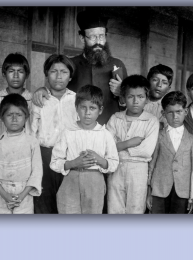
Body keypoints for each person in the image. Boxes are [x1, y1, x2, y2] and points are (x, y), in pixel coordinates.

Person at [32, 9, 127, 125]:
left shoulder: (117, 65)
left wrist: (121, 94)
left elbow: (128, 104)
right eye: (93, 37)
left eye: (101, 36)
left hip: (109, 130)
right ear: (82, 38)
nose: (98, 42)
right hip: (76, 130)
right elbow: (55, 89)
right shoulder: (71, 65)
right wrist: (42, 90)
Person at [50, 85, 119, 214]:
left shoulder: (104, 134)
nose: (87, 113)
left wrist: (99, 160)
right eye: (83, 107)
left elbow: (114, 163)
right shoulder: (68, 132)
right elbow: (54, 162)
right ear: (76, 108)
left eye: (92, 108)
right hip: (70, 180)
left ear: (100, 110)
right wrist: (73, 163)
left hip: (95, 183)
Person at [30, 54, 78, 214]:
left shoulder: (77, 100)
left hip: (69, 157)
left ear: (70, 77)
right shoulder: (39, 100)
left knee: (68, 204)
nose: (59, 76)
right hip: (43, 156)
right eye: (53, 71)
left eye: (64, 72)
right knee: (44, 202)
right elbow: (31, 132)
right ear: (46, 75)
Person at [106, 75, 159, 214]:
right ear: (123, 98)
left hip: (139, 170)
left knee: (135, 209)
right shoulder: (115, 118)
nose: (136, 101)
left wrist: (118, 146)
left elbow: (146, 151)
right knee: (114, 208)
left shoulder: (151, 121)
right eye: (130, 97)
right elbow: (106, 148)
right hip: (116, 168)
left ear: (147, 98)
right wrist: (130, 143)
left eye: (140, 97)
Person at [147, 91, 193, 214]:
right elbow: (151, 164)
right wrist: (149, 192)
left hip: (183, 192)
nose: (175, 116)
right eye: (170, 112)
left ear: (185, 112)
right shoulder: (157, 137)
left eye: (179, 112)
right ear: (163, 113)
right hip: (159, 190)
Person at [0, 94, 42, 214]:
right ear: (2, 118)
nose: (14, 119)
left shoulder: (32, 142)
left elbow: (37, 172)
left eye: (19, 115)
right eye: (9, 115)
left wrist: (22, 196)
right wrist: (5, 195)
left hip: (25, 193)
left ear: (26, 117)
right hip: (2, 194)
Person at [0, 53, 32, 135]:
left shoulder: (32, 100)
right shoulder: (0, 98)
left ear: (26, 75)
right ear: (4, 74)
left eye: (20, 71)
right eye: (11, 71)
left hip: (27, 146)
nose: (15, 76)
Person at [144, 64, 173, 129]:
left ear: (168, 89)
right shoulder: (138, 101)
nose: (159, 85)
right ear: (147, 82)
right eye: (155, 80)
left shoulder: (168, 108)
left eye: (164, 82)